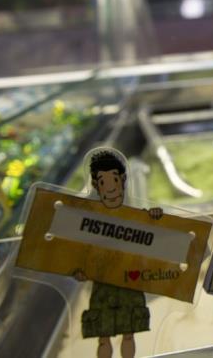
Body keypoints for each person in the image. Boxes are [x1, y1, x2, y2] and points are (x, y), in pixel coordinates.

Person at [73, 150, 163, 358]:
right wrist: (78, 270)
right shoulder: (88, 222)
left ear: (123, 180)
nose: (111, 189)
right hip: (102, 286)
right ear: (96, 185)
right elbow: (79, 253)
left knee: (128, 335)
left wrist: (155, 216)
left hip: (128, 283)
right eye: (103, 182)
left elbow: (152, 233)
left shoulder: (134, 216)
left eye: (114, 180)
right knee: (103, 337)